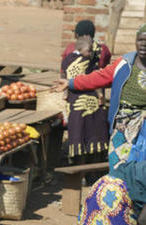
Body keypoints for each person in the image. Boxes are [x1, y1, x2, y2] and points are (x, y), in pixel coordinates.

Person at [57, 26, 146, 170]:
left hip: (145, 128)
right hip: (122, 126)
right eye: (141, 40)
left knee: (142, 171)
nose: (144, 44)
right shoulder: (124, 64)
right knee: (119, 169)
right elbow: (100, 77)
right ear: (135, 41)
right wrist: (71, 83)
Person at [61, 34, 110, 165]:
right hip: (88, 98)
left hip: (73, 100)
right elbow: (96, 79)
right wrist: (100, 95)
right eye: (88, 51)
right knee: (96, 127)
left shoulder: (66, 59)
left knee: (78, 130)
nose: (90, 53)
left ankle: (79, 165)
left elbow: (63, 76)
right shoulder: (89, 61)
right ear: (81, 48)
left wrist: (65, 94)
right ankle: (92, 167)